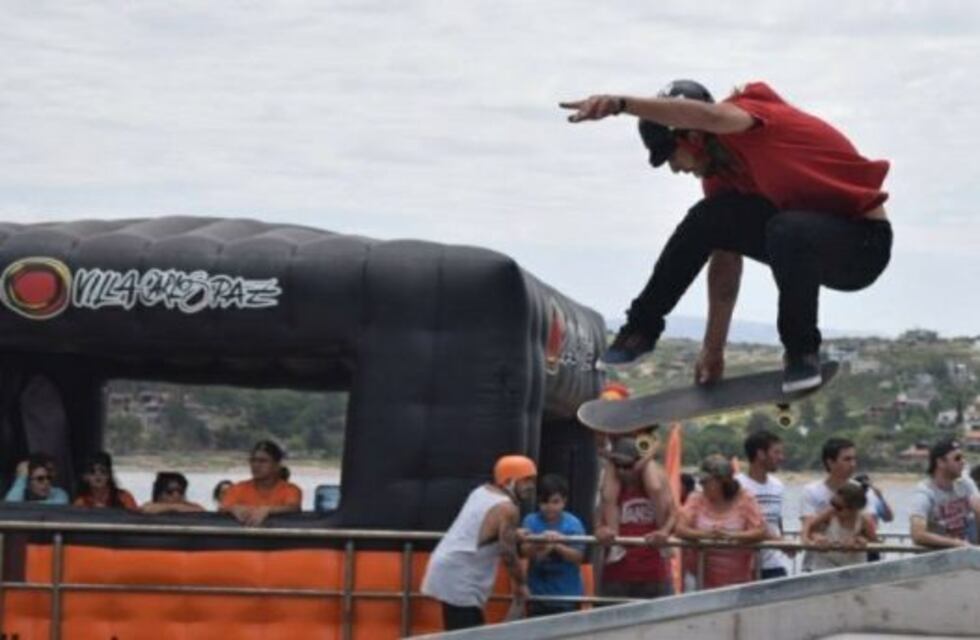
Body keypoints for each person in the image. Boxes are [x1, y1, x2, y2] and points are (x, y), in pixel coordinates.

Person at [560, 80, 891, 393]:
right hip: (802, 241)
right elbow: (725, 263)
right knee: (708, 218)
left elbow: (710, 116)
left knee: (787, 229)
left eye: (671, 156)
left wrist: (620, 104)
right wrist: (713, 349)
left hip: (861, 245)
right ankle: (640, 330)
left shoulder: (750, 116)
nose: (676, 169)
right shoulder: (723, 175)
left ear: (691, 136)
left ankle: (802, 353)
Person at [421, 455, 537, 631]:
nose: (531, 486)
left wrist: (513, 533)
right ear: (510, 481)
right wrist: (520, 584)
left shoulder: (481, 491)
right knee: (469, 633)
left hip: (449, 566)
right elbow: (508, 554)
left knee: (460, 631)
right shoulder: (508, 509)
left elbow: (483, 528)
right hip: (462, 577)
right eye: (526, 480)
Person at [595, 434, 676, 600]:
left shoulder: (657, 486)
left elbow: (675, 514)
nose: (622, 471)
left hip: (654, 574)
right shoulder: (611, 491)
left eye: (627, 466)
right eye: (617, 466)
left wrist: (665, 531)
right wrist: (601, 531)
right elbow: (598, 521)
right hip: (617, 575)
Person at [675, 455, 766, 589]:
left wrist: (730, 536)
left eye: (705, 481)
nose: (701, 484)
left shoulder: (746, 498)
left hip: (738, 580)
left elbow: (760, 531)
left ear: (722, 481)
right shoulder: (696, 498)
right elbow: (680, 529)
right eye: (700, 480)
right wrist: (705, 535)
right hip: (701, 577)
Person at [520, 474, 586, 617]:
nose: (550, 507)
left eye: (555, 502)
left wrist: (557, 545)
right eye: (545, 502)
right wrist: (541, 544)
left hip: (567, 598)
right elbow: (524, 552)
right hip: (537, 597)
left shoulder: (574, 523)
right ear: (538, 502)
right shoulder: (530, 521)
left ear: (564, 501)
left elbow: (578, 557)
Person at [735, 430, 789, 579]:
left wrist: (782, 543)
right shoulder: (737, 485)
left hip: (775, 563)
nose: (781, 458)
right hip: (746, 565)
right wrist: (780, 542)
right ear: (760, 454)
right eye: (776, 453)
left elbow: (777, 521)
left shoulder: (778, 486)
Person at [909, 438, 980, 548]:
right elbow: (918, 535)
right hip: (938, 560)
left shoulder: (965, 483)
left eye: (963, 457)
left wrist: (978, 513)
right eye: (957, 458)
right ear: (940, 462)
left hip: (966, 557)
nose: (963, 461)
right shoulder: (924, 493)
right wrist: (957, 544)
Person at [799, 437, 857, 571]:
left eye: (854, 459)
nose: (853, 464)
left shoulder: (860, 490)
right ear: (830, 462)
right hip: (817, 566)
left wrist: (858, 538)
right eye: (847, 459)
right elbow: (807, 526)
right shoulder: (811, 491)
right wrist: (816, 537)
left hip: (852, 567)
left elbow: (867, 525)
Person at [220, 440, 302, 526]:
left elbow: (293, 507)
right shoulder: (238, 488)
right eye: (253, 460)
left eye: (263, 461)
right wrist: (233, 509)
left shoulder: (291, 489)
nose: (256, 465)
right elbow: (223, 506)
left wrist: (268, 510)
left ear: (277, 465)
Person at [802, 482, 876, 571]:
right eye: (833, 503)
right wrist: (817, 537)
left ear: (853, 509)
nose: (834, 508)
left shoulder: (864, 519)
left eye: (839, 507)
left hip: (853, 567)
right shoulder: (830, 513)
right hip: (826, 564)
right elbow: (810, 528)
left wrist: (860, 540)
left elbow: (874, 541)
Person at [73, 451, 138, 510]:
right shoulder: (81, 502)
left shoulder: (124, 498)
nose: (98, 475)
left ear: (109, 475)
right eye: (92, 472)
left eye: (103, 471)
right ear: (85, 477)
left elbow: (135, 519)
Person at [854, 472, 893, 561]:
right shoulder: (849, 501)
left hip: (872, 543)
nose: (864, 488)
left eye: (867, 485)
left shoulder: (874, 499)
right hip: (857, 544)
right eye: (862, 485)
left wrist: (881, 497)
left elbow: (889, 518)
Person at [4, 454, 70, 505]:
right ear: (28, 482)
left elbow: (55, 506)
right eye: (40, 479)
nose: (46, 482)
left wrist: (23, 507)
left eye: (49, 478)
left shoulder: (58, 494)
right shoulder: (20, 494)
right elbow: (10, 507)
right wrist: (21, 478)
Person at [141, 472, 206, 514]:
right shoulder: (150, 506)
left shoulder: (191, 506)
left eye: (180, 491)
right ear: (159, 495)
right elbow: (146, 509)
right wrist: (175, 507)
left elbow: (201, 510)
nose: (176, 495)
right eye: (170, 491)